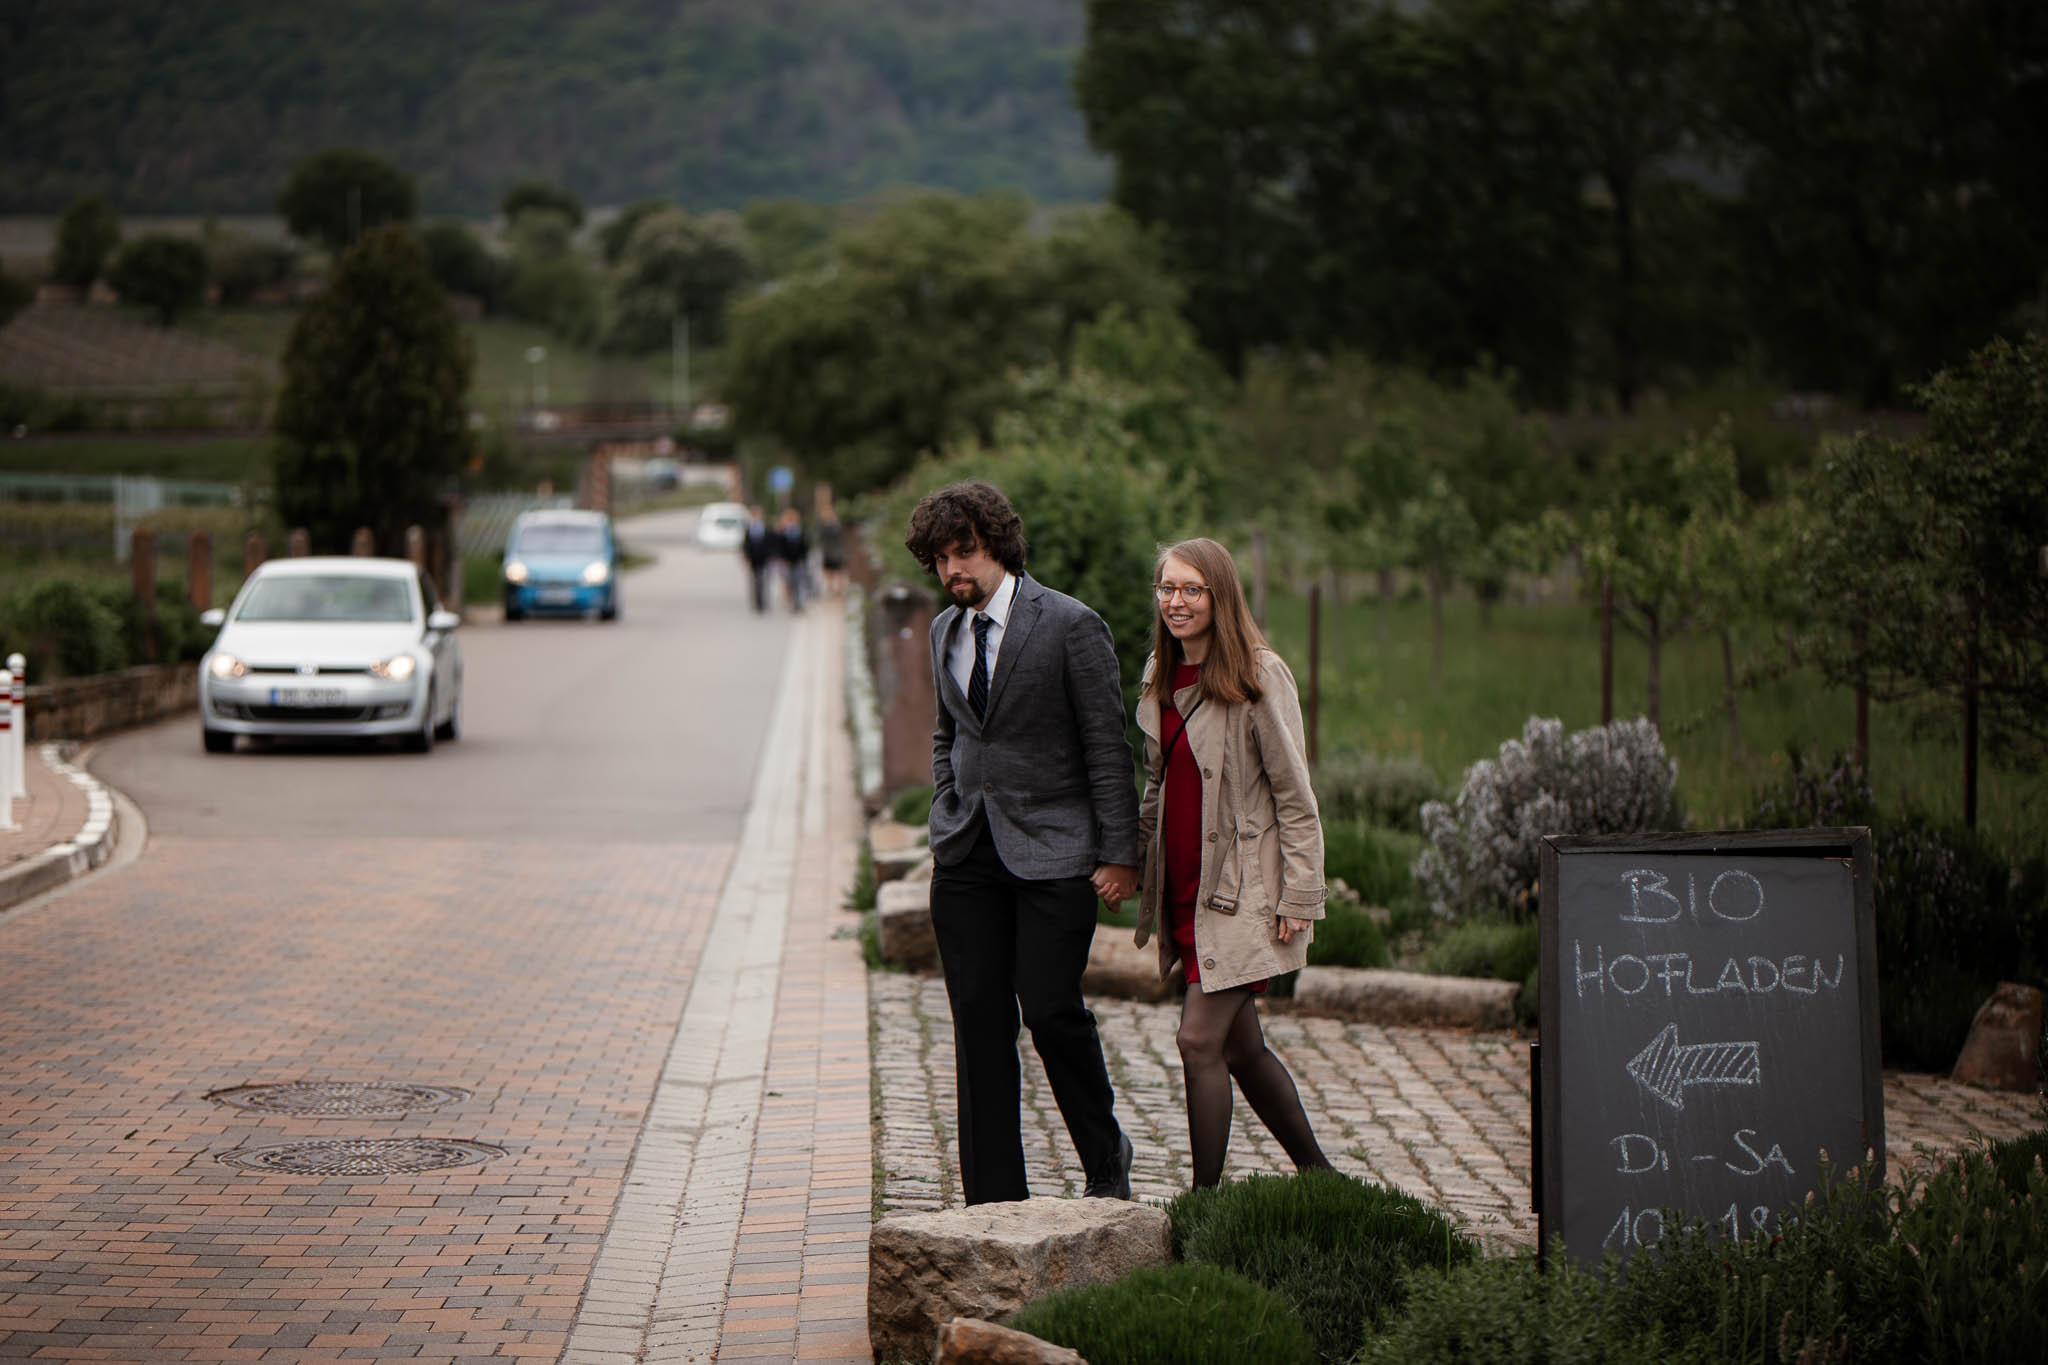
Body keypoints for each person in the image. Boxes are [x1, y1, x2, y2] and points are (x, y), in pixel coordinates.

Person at [907, 480, 1141, 1206]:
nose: (954, 570)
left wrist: (1119, 850)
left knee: (1047, 1006)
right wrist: (946, 803)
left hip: (1055, 849)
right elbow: (949, 733)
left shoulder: (1071, 624)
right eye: (942, 558)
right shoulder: (944, 631)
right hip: (968, 851)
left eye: (966, 551)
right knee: (978, 1018)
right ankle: (994, 1199)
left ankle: (1106, 1154)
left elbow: (1108, 745)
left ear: (998, 545)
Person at [1133, 536, 1334, 1189]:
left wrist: (1299, 895)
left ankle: (1204, 1201)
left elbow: (1296, 799)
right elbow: (1158, 785)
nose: (1178, 601)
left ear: (1220, 595)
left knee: (1198, 1041)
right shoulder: (1160, 676)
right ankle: (1322, 1177)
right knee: (1242, 1048)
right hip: (1185, 889)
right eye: (1168, 587)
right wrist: (1132, 861)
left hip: (1241, 894)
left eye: (1193, 588)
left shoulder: (1255, 674)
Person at [740, 504, 775, 613]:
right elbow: (745, 545)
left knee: (764, 580)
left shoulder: (766, 528)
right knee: (755, 581)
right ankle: (756, 602)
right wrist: (745, 557)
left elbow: (770, 544)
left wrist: (771, 556)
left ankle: (763, 602)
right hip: (753, 559)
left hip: (764, 559)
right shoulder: (748, 529)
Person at [775, 506, 810, 611]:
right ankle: (789, 601)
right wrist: (782, 559)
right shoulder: (782, 532)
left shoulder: (799, 532)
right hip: (786, 562)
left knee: (799, 582)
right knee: (788, 582)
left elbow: (805, 546)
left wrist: (804, 558)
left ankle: (798, 603)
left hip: (798, 561)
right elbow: (779, 547)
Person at [815, 503, 848, 597]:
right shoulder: (823, 527)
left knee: (839, 573)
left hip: (837, 552)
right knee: (829, 574)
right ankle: (832, 591)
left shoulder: (838, 526)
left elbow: (842, 539)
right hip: (828, 553)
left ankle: (839, 591)